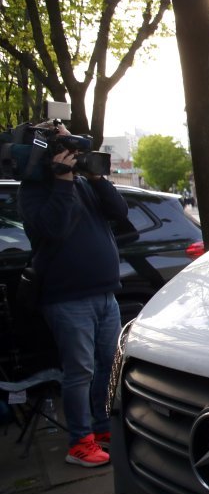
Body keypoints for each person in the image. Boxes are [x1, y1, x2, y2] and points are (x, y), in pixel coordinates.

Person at [17, 121, 128, 467]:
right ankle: (79, 442)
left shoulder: (84, 183)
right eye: (64, 146)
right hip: (67, 297)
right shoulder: (33, 189)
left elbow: (119, 212)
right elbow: (53, 228)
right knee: (80, 371)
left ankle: (102, 428)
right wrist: (62, 180)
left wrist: (96, 176)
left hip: (105, 293)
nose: (73, 152)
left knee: (109, 365)